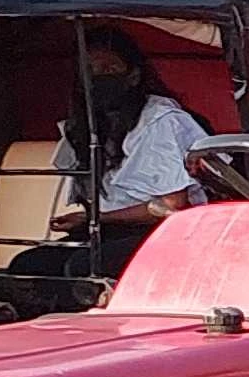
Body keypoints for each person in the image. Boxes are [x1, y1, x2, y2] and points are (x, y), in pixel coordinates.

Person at [60, 27, 205, 269]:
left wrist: (98, 218)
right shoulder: (88, 126)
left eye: (109, 69)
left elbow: (171, 206)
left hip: (166, 234)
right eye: (90, 71)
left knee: (81, 266)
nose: (98, 77)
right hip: (108, 231)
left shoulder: (160, 120)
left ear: (133, 76)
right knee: (30, 264)